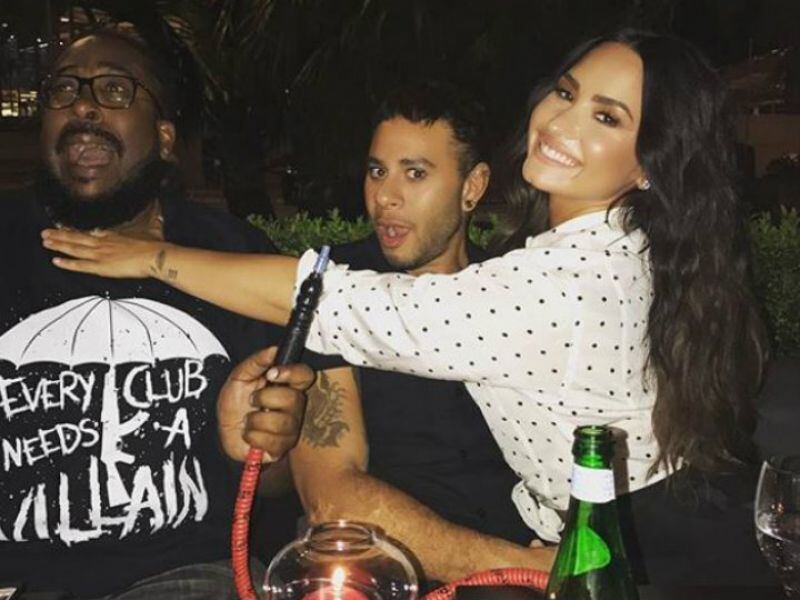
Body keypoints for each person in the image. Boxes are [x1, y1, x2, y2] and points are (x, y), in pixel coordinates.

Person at [42, 30, 774, 584]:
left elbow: (332, 302)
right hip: (580, 544)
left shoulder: (547, 282)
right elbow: (333, 495)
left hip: (653, 552)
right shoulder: (619, 248)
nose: (561, 123)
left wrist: (153, 257)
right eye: (565, 92)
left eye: (607, 117)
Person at [0, 29, 311, 598]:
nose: (84, 106)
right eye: (63, 90)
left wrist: (264, 447)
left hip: (182, 572)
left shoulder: (231, 254)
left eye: (115, 89)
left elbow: (275, 485)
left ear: (164, 138)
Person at [291, 81, 539, 585]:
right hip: (384, 574)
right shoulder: (334, 289)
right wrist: (522, 567)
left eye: (415, 173)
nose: (385, 196)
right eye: (377, 171)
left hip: (526, 559)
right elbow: (331, 497)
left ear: (472, 187)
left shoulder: (514, 291)